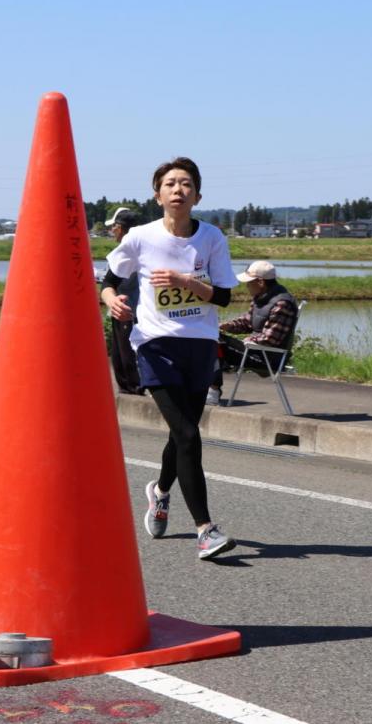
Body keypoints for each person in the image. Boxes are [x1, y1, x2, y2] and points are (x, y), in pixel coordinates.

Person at [103, 157, 238, 560]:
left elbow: (227, 296)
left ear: (198, 194)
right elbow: (108, 280)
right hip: (155, 344)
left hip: (198, 344)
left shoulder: (211, 237)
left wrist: (185, 282)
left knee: (181, 434)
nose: (178, 190)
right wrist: (112, 301)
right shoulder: (141, 237)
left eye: (186, 184)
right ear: (158, 194)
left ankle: (160, 491)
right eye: (170, 184)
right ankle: (206, 530)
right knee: (189, 436)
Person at [206, 259, 299, 406]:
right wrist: (227, 326)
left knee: (213, 342)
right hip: (255, 350)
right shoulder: (261, 298)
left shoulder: (282, 303)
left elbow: (271, 338)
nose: (247, 286)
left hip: (268, 357)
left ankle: (213, 392)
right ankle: (205, 388)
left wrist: (250, 340)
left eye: (249, 282)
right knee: (209, 337)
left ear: (260, 282)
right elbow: (247, 322)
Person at [102, 206, 144, 395]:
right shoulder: (133, 246)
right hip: (120, 308)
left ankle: (135, 389)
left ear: (120, 227)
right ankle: (127, 390)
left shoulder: (131, 249)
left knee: (128, 354)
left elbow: (117, 280)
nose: (112, 231)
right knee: (119, 354)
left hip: (130, 309)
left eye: (113, 227)